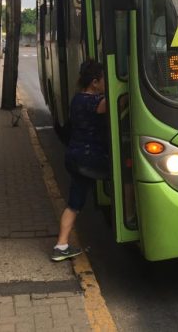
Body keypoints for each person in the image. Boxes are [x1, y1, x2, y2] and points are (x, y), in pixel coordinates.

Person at [51, 60, 108, 262]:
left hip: (75, 157)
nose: (107, 82)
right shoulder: (94, 102)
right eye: (104, 79)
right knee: (127, 174)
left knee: (74, 204)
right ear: (94, 83)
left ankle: (61, 245)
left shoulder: (77, 99)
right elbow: (116, 100)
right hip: (89, 159)